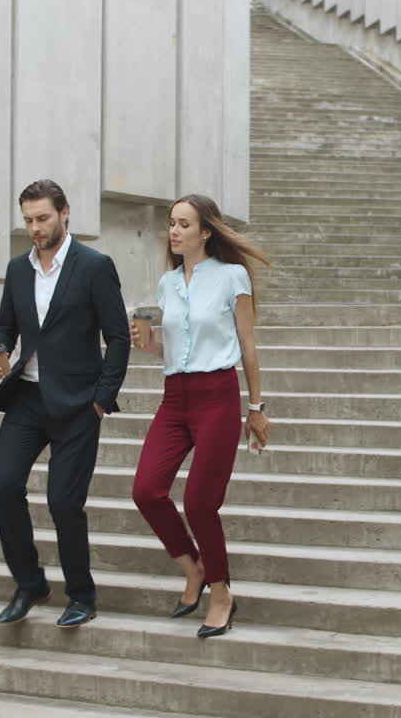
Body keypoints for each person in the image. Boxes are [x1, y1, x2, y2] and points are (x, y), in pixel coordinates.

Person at [0, 179, 130, 628]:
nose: (35, 227)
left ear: (65, 213)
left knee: (64, 504)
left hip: (77, 406)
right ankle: (30, 584)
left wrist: (101, 402)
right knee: (3, 487)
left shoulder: (94, 266)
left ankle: (81, 595)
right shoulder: (17, 269)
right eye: (28, 219)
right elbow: (6, 325)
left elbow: (119, 338)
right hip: (27, 399)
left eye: (43, 218)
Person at [130, 193, 271, 639]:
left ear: (206, 231)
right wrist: (147, 341)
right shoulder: (166, 284)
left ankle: (221, 591)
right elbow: (167, 350)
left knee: (199, 503)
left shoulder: (232, 278)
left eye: (184, 224)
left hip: (217, 396)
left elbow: (247, 345)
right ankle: (193, 567)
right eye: (171, 223)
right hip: (175, 397)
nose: (174, 231)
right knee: (147, 490)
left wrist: (256, 408)